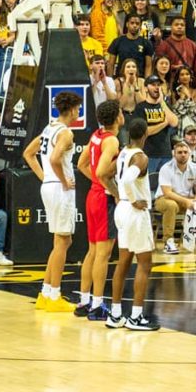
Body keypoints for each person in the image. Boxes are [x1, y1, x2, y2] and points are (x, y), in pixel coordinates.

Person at [23, 91, 82, 313]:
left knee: (62, 241)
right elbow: (55, 159)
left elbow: (28, 154)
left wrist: (45, 177)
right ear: (74, 108)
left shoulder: (49, 129)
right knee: (62, 242)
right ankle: (55, 295)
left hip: (49, 186)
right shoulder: (66, 133)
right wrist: (63, 180)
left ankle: (46, 292)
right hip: (59, 189)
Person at [107, 117, 160, 330]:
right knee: (145, 263)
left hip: (122, 210)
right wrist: (132, 198)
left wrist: (118, 195)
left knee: (123, 262)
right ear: (145, 134)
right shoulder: (141, 157)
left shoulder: (122, 153)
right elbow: (128, 180)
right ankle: (136, 317)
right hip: (135, 212)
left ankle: (116, 314)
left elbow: (103, 174)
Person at [74, 100, 121, 319]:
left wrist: (97, 182)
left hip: (93, 195)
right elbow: (103, 172)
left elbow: (81, 165)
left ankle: (84, 301)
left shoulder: (96, 135)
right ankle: (98, 305)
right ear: (118, 117)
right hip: (103, 199)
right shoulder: (111, 141)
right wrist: (116, 193)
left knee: (92, 251)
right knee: (104, 253)